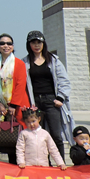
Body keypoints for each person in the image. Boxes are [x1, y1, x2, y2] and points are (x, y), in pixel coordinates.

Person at [22, 30, 74, 162]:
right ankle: (46, 164)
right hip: (35, 103)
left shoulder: (53, 60)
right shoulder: (25, 62)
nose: (36, 45)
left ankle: (60, 163)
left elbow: (64, 80)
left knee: (56, 135)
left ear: (43, 43)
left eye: (39, 42)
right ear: (29, 45)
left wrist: (60, 98)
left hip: (51, 101)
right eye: (33, 42)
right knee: (38, 135)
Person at [0, 33, 33, 165]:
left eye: (9, 43)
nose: (6, 46)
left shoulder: (19, 64)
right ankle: (12, 167)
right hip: (2, 108)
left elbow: (21, 84)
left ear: (13, 46)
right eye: (2, 43)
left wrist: (13, 105)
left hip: (18, 106)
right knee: (8, 138)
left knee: (21, 137)